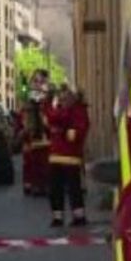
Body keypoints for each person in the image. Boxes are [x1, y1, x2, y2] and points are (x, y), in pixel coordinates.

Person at [47, 88, 90, 227]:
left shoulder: (76, 111)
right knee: (56, 189)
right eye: (61, 98)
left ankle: (78, 216)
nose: (63, 101)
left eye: (65, 98)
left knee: (73, 188)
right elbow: (52, 119)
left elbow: (78, 130)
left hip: (71, 157)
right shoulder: (64, 110)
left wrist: (70, 133)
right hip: (56, 156)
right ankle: (58, 217)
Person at [20, 70, 53, 196]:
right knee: (31, 162)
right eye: (36, 81)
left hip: (46, 133)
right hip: (32, 134)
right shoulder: (30, 97)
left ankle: (43, 185)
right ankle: (32, 185)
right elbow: (25, 95)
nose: (38, 84)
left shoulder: (49, 96)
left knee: (45, 162)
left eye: (41, 81)